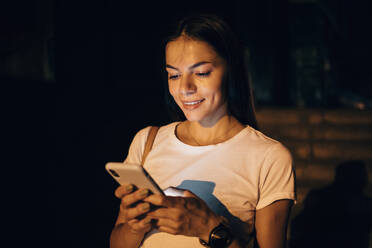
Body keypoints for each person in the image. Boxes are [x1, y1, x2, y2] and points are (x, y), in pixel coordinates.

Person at [110, 14, 296, 248]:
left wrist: (209, 227)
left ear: (230, 70)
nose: (184, 88)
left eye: (201, 73)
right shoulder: (147, 141)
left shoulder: (269, 157)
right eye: (174, 75)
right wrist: (135, 225)